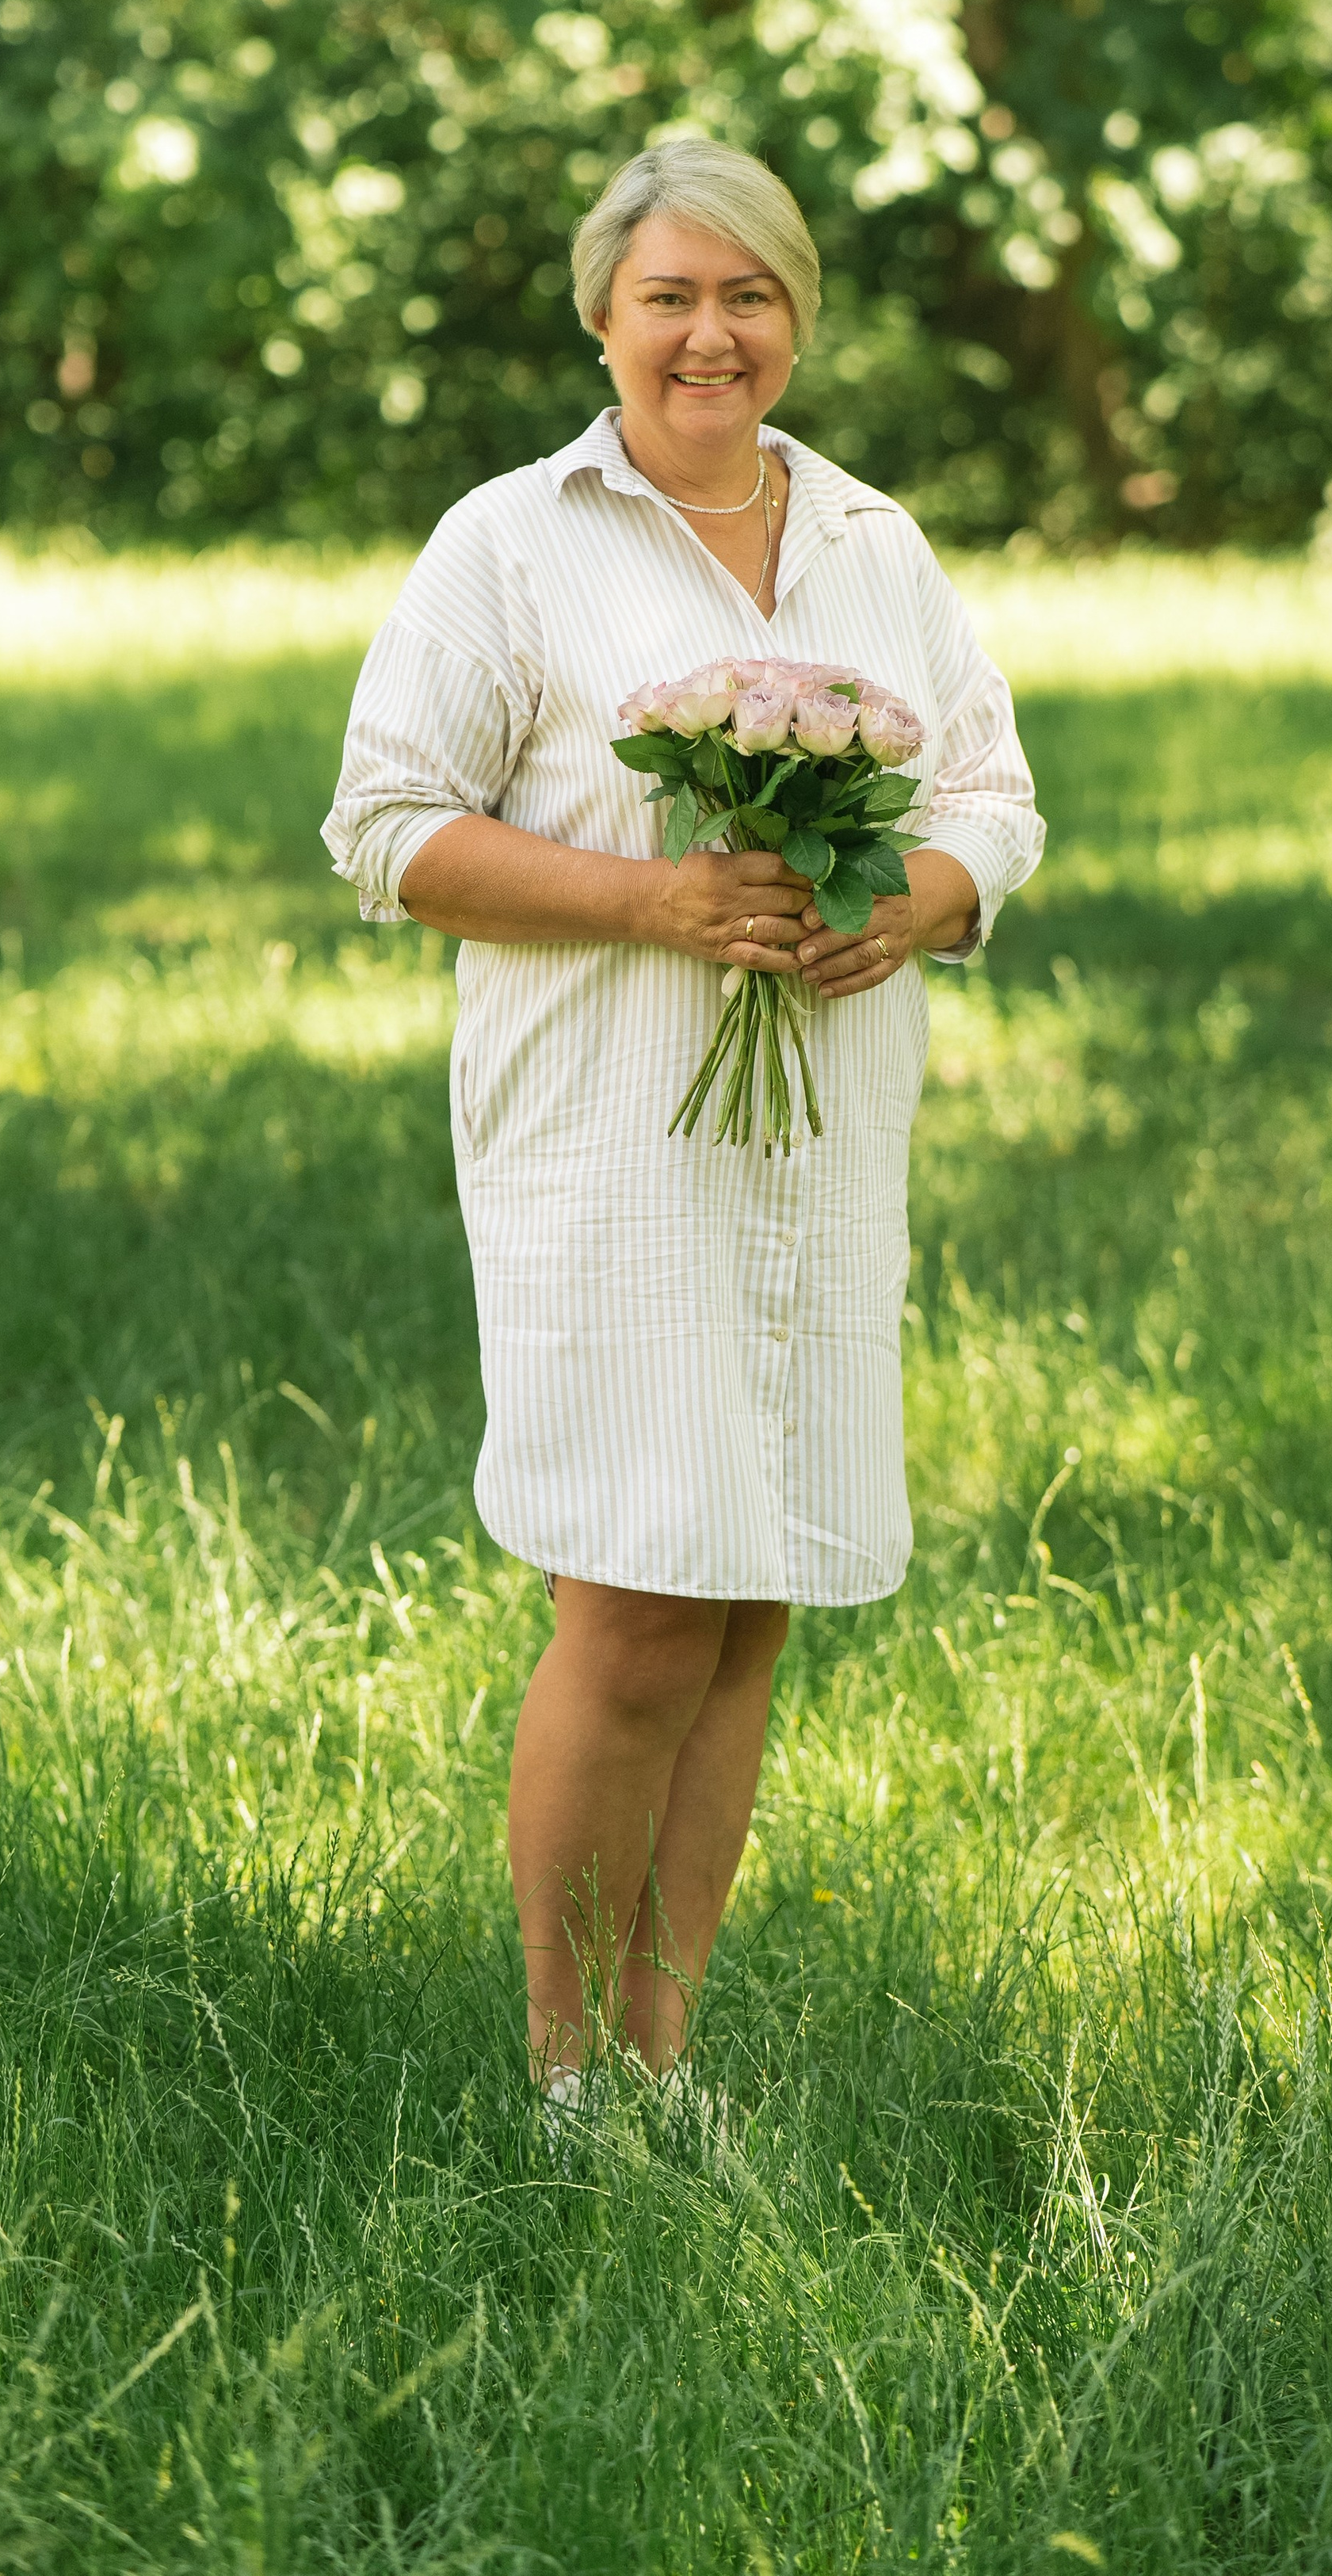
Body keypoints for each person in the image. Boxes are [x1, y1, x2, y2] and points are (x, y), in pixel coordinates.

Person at [323, 136, 1044, 2113]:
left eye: (747, 297)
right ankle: (560, 2085)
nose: (707, 334)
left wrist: (921, 900)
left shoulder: (873, 542)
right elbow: (385, 830)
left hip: (820, 1142)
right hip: (610, 1139)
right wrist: (656, 897)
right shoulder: (508, 541)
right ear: (602, 315)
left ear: (796, 317)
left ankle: (663, 2067)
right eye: (669, 297)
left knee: (745, 1604)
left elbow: (992, 790)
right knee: (636, 1602)